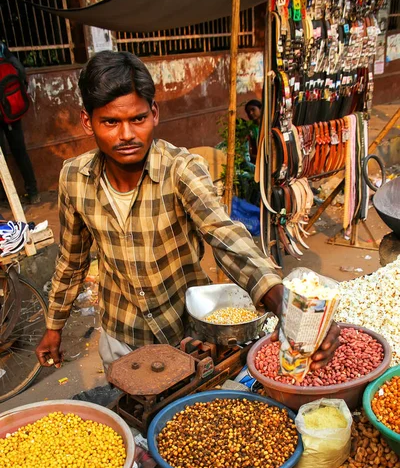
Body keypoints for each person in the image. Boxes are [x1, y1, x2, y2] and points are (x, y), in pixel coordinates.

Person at [35, 51, 339, 371]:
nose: (126, 135)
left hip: (186, 333)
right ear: (88, 121)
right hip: (122, 336)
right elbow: (72, 258)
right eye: (110, 122)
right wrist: (54, 328)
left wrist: (285, 305)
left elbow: (225, 235)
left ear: (154, 114)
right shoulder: (73, 178)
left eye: (137, 119)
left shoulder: (181, 169)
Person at [0, 43, 40, 205]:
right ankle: (33, 192)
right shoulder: (2, 48)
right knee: (20, 151)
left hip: (6, 109)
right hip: (11, 108)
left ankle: (5, 198)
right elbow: (20, 71)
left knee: (2, 157)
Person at [245, 99, 262, 164]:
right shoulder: (250, 129)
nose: (250, 113)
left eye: (253, 110)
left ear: (260, 109)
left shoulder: (270, 124)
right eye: (248, 112)